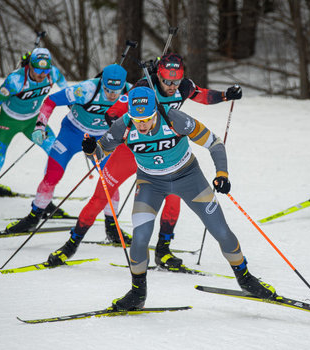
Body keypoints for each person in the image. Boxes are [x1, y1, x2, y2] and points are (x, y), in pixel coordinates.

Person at [84, 86, 276, 309]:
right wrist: (91, 149)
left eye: (147, 119)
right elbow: (99, 153)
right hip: (150, 183)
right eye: (138, 120)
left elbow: (214, 142)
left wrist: (222, 174)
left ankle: (245, 278)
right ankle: (138, 293)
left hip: (188, 177)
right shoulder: (123, 125)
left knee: (222, 232)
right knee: (140, 237)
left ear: (155, 111)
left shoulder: (174, 118)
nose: (142, 125)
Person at [46, 53, 242, 269]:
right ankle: (72, 243)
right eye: (167, 81)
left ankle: (163, 250)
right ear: (158, 75)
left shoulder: (184, 86)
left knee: (174, 198)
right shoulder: (142, 89)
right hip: (132, 149)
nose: (171, 86)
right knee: (102, 194)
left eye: (175, 81)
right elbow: (112, 113)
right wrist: (129, 126)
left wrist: (225, 95)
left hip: (166, 150)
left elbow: (202, 95)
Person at [5, 63, 131, 233]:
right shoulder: (86, 89)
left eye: (116, 91)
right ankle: (34, 217)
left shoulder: (130, 93)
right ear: (103, 82)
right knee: (53, 175)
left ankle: (112, 226)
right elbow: (51, 101)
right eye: (108, 90)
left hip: (102, 139)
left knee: (109, 181)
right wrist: (40, 126)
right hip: (72, 133)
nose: (111, 95)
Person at [0, 48, 68, 221]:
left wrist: (71, 101)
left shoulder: (52, 74)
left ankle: (44, 201)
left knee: (55, 153)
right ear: (30, 66)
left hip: (34, 122)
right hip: (8, 122)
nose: (41, 75)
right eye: (38, 70)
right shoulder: (15, 81)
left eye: (45, 70)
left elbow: (64, 86)